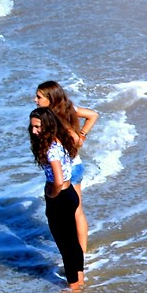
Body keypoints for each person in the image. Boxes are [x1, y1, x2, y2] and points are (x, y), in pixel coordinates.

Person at [34, 80, 96, 265]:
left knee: (70, 215)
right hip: (75, 166)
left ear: (50, 98)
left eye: (39, 97)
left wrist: (80, 137)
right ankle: (81, 254)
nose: (35, 100)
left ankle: (78, 257)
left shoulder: (56, 117)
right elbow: (93, 115)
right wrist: (83, 133)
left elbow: (77, 141)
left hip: (69, 170)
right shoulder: (67, 108)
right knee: (77, 211)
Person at [29, 106, 87, 291]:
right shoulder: (60, 141)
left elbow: (58, 179)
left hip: (60, 196)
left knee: (65, 246)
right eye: (32, 127)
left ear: (47, 126)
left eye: (37, 127)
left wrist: (52, 194)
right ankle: (80, 279)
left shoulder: (50, 150)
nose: (34, 131)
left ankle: (73, 289)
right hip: (70, 194)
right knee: (72, 243)